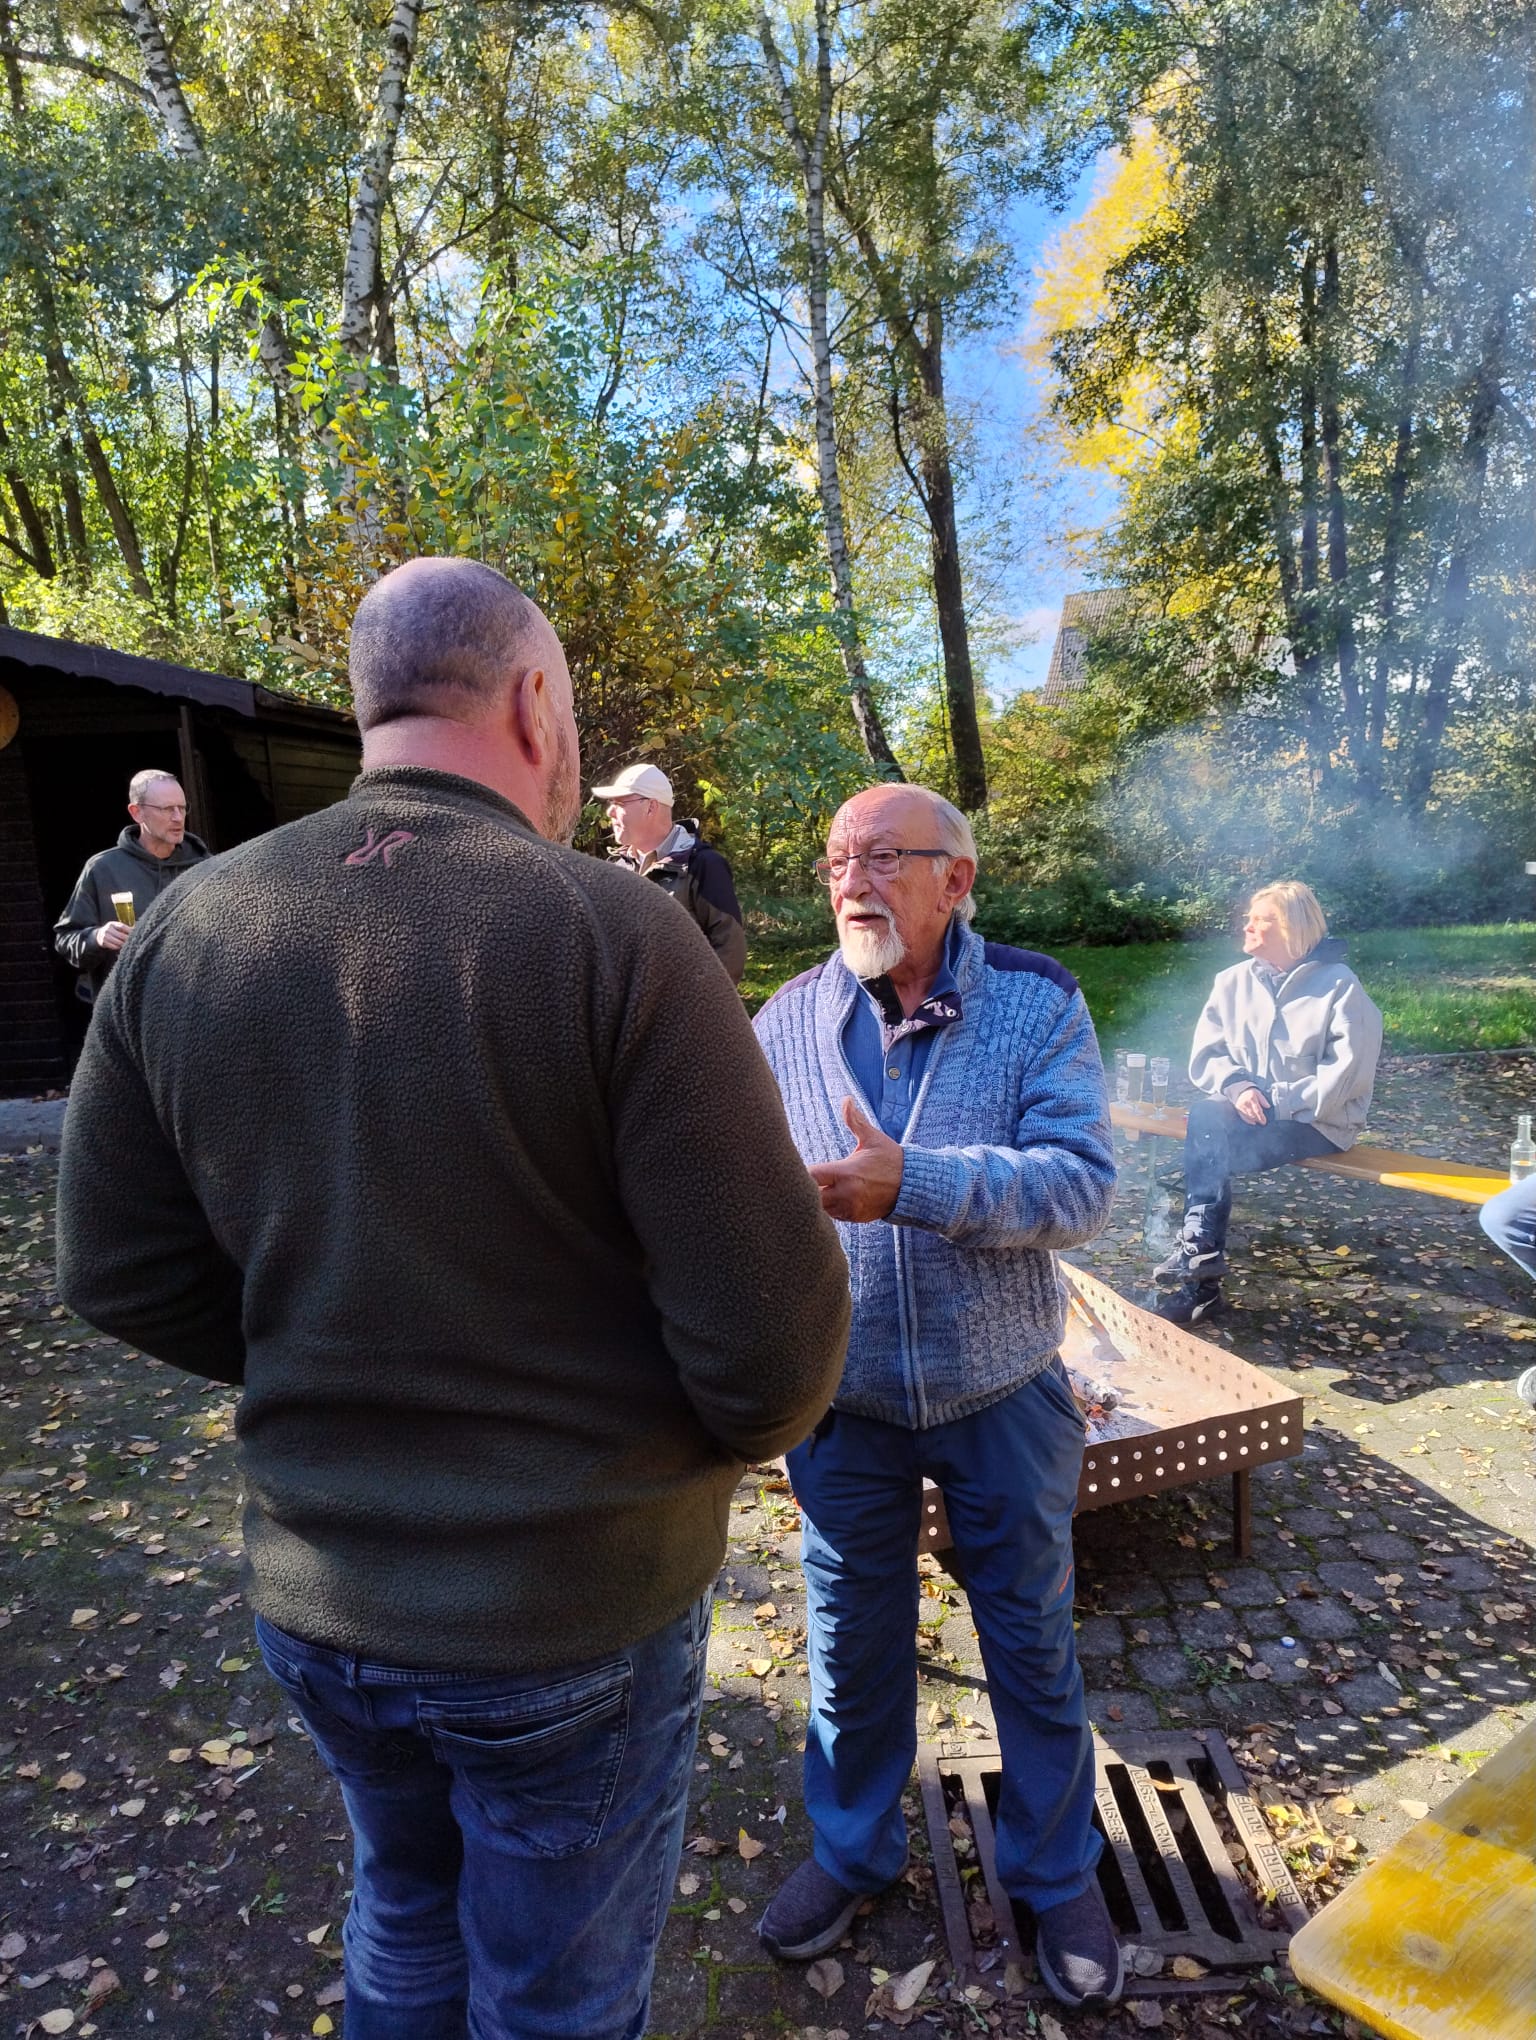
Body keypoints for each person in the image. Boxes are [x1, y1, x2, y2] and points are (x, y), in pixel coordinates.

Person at [55, 557, 850, 2040]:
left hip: (319, 1598)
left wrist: (325, 1349)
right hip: (570, 1611)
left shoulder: (192, 925)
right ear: (536, 705)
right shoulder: (616, 934)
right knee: (553, 1996)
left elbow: (112, 1265)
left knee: (405, 1912)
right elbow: (775, 1364)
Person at [751, 782, 1123, 2012]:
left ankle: (1056, 1871)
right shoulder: (788, 1018)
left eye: (880, 858)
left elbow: (1079, 1186)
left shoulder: (1033, 999)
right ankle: (853, 1852)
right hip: (844, 1404)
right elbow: (751, 1198)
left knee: (1029, 1642)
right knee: (852, 1648)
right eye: (835, 860)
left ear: (955, 879)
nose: (850, 882)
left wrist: (914, 1182)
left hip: (1002, 1391)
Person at [1153, 880, 1383, 1325]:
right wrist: (1238, 1087)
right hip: (1249, 1115)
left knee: (1209, 1146)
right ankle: (1201, 1257)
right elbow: (1208, 1053)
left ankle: (1199, 1277)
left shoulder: (1340, 987)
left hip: (1318, 1122)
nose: (1249, 926)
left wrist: (1274, 1102)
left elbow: (1346, 1077)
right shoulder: (1232, 981)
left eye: (1263, 920)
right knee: (1207, 1118)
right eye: (1250, 918)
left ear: (1294, 928)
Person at [53, 769, 210, 1002]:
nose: (178, 817)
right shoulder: (102, 869)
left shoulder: (207, 867)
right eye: (167, 809)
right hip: (129, 1011)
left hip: (197, 1008)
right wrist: (97, 937)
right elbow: (66, 941)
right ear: (137, 813)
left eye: (182, 807)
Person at [593, 760, 747, 983]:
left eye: (619, 803)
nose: (610, 812)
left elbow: (730, 949)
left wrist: (693, 1001)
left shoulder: (703, 865)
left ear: (651, 807)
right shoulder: (616, 868)